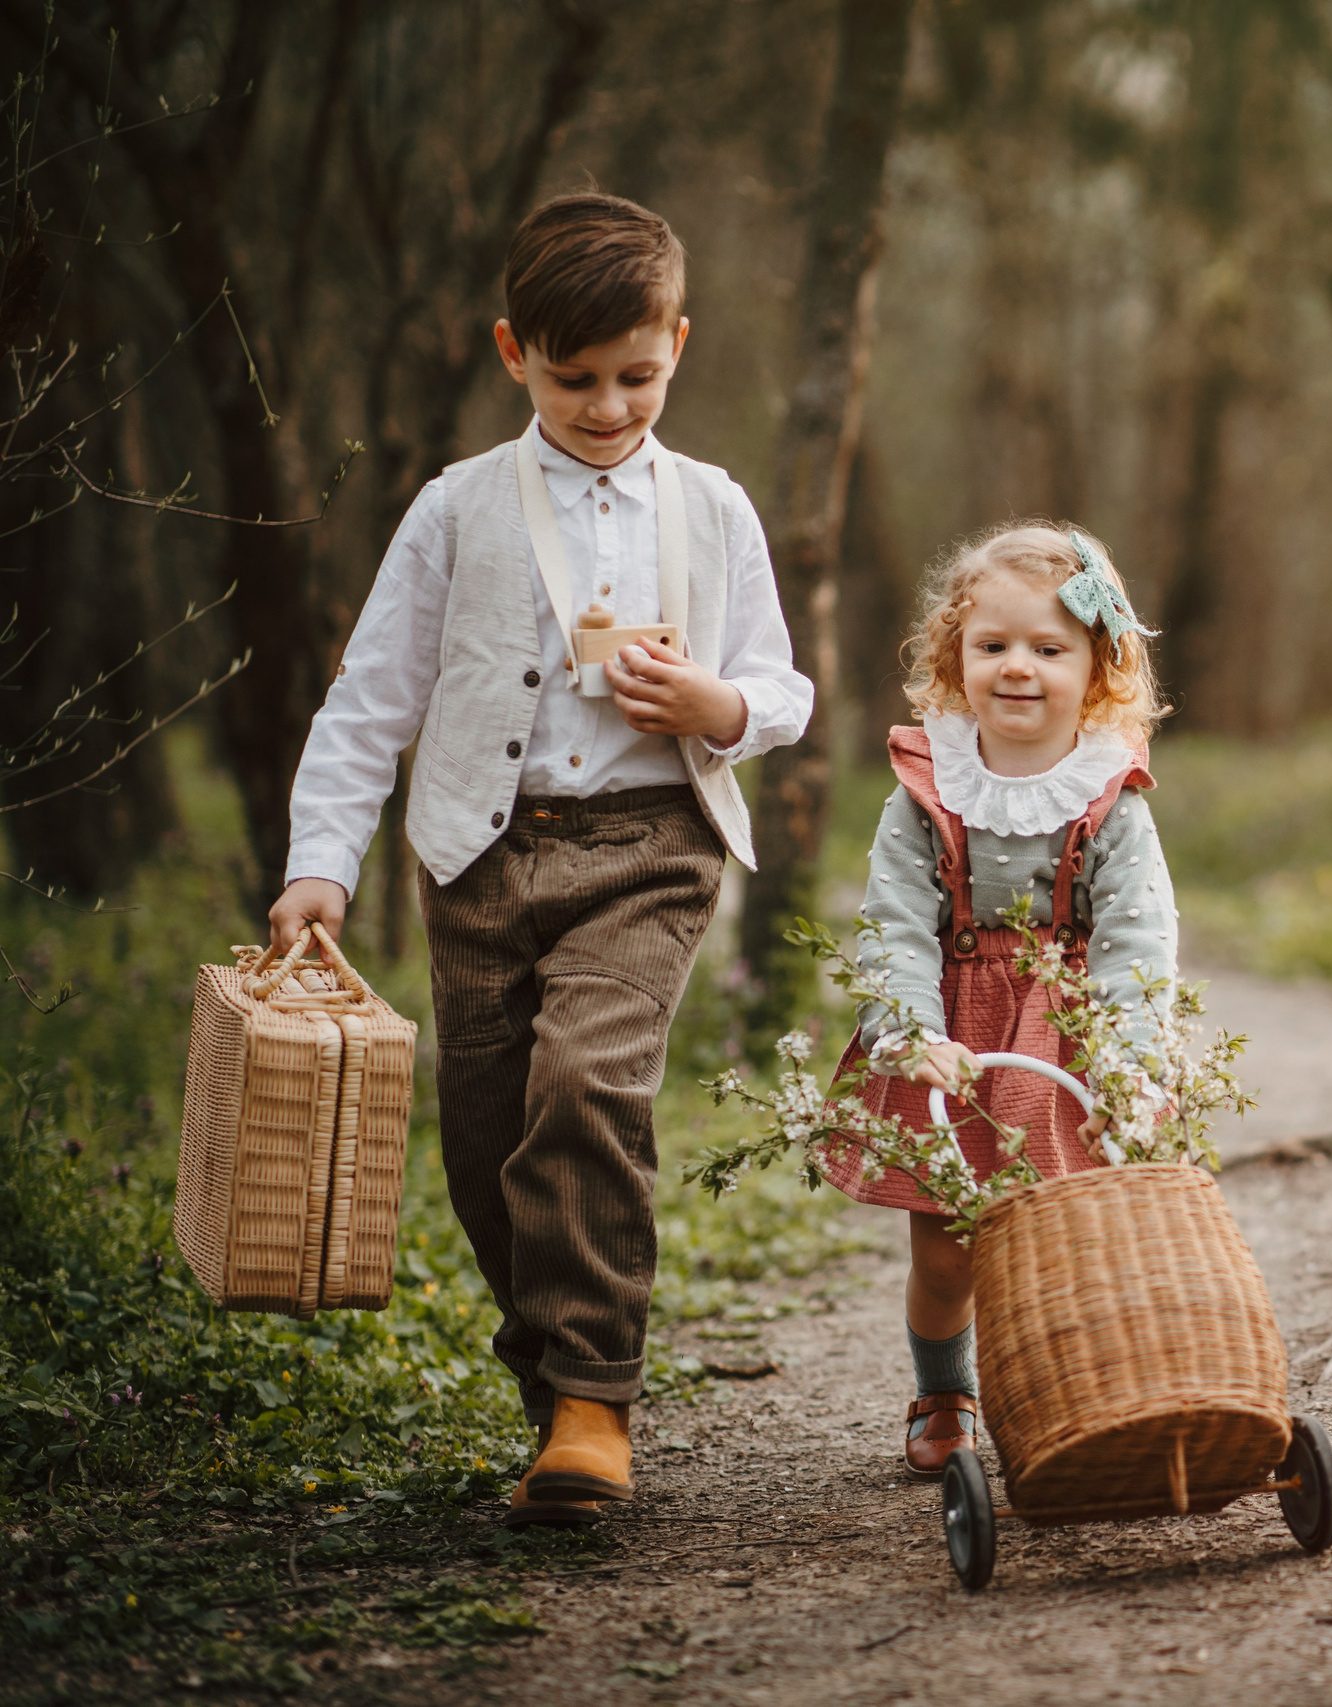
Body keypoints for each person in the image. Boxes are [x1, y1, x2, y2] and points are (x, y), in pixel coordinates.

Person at [266, 192, 813, 1529]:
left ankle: (592, 1398)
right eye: (576, 380)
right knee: (490, 1138)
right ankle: (552, 1373)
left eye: (639, 375)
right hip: (481, 857)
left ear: (679, 343)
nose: (612, 406)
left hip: (651, 849)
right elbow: (372, 697)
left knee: (587, 1083)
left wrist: (717, 711)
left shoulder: (713, 506)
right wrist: (319, 859)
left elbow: (780, 686)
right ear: (514, 352)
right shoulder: (457, 509)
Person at [819, 522, 1176, 1475]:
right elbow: (891, 919)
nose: (1018, 667)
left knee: (1067, 1237)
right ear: (956, 656)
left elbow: (1138, 939)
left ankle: (1070, 1393)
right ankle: (945, 1389)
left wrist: (1133, 1061)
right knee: (947, 1251)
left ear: (1097, 667)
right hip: (954, 1039)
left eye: (1048, 649)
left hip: (1063, 1038)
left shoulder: (1111, 798)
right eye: (994, 646)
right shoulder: (927, 785)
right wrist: (908, 1031)